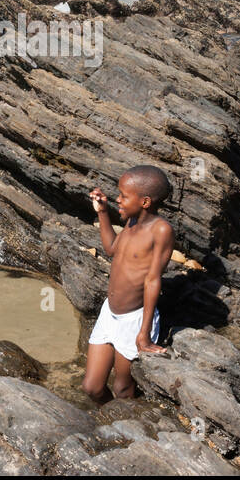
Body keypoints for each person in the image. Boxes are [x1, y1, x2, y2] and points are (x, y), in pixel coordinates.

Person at [82, 166, 174, 402]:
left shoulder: (161, 230)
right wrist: (103, 212)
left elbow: (153, 281)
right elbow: (112, 249)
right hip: (109, 313)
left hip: (134, 318)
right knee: (91, 387)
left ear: (144, 201)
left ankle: (126, 431)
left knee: (123, 390)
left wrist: (144, 334)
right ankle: (106, 421)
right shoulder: (131, 222)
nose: (118, 199)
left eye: (123, 195)